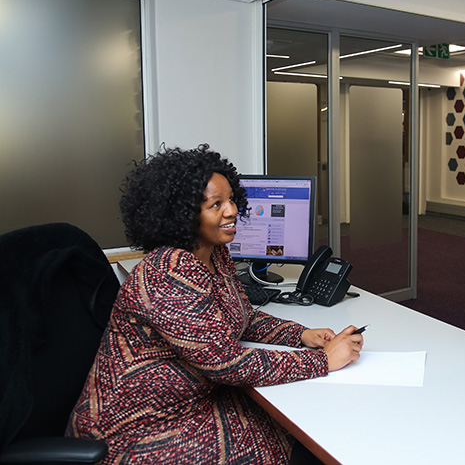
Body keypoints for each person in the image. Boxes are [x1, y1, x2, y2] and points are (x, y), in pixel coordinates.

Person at [67, 145, 363, 464]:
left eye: (232, 199)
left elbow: (242, 317)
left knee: (299, 425)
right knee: (291, 436)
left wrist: (301, 336)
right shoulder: (167, 271)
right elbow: (224, 361)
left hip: (189, 402)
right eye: (215, 204)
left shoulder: (215, 254)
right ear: (182, 214)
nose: (232, 210)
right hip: (137, 429)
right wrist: (321, 362)